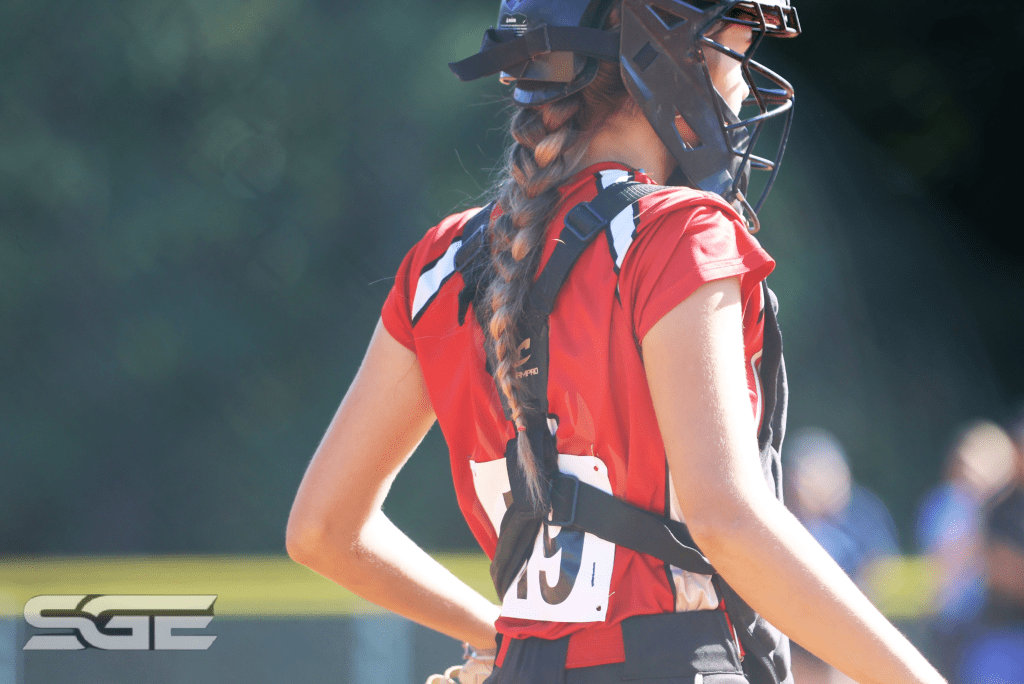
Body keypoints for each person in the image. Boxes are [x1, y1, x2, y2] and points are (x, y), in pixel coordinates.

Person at [286, 1, 945, 683]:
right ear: (661, 56)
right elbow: (728, 523)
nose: (745, 88)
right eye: (735, 53)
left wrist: (508, 643)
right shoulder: (676, 233)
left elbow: (321, 532)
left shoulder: (441, 262)